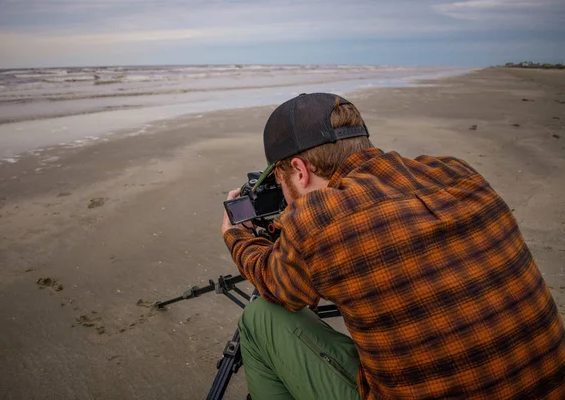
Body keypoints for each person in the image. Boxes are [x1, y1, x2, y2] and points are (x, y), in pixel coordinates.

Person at [220, 93, 565, 399]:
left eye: (280, 180)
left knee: (259, 317)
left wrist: (236, 234)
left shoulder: (319, 218)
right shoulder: (456, 173)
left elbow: (275, 284)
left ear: (299, 169)